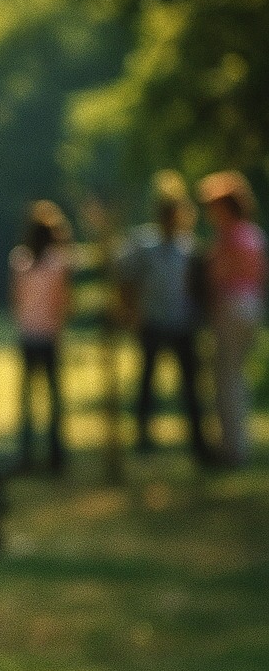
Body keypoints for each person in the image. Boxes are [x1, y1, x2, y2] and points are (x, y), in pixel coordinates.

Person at [115, 172, 213, 464]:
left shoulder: (190, 248)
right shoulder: (143, 245)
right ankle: (144, 438)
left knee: (191, 386)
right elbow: (125, 278)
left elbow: (200, 287)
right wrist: (130, 311)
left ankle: (198, 442)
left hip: (183, 323)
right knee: (147, 383)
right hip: (152, 321)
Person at [198, 169, 266, 468]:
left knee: (226, 379)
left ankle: (232, 450)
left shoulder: (229, 237)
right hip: (252, 307)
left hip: (232, 307)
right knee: (235, 378)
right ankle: (237, 445)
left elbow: (218, 275)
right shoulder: (254, 234)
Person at [8, 199, 73, 473]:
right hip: (49, 336)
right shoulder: (57, 264)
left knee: (27, 399)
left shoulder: (19, 261)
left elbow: (16, 300)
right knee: (54, 397)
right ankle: (56, 454)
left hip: (27, 334)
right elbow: (62, 303)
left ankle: (26, 454)